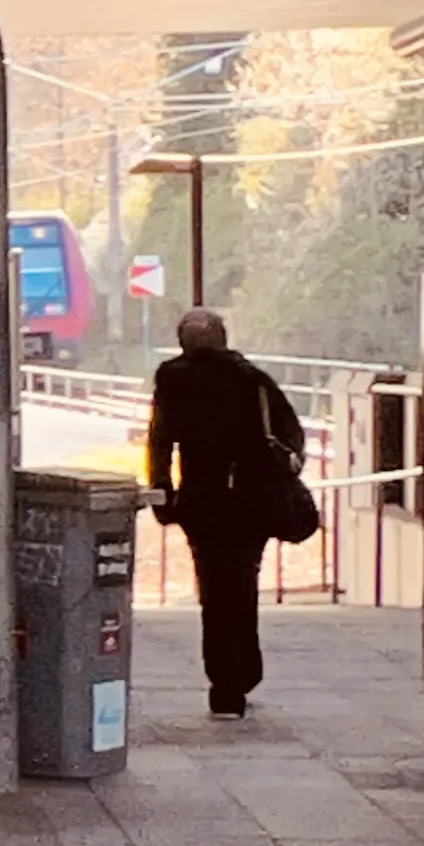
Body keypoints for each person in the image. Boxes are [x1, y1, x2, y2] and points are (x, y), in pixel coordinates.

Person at [144, 306, 302, 720]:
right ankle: (245, 672)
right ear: (224, 337)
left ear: (183, 342)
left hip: (203, 502)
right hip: (251, 501)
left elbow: (160, 438)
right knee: (243, 583)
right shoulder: (251, 378)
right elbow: (289, 434)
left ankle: (224, 686)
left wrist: (162, 489)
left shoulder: (172, 378)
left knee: (213, 592)